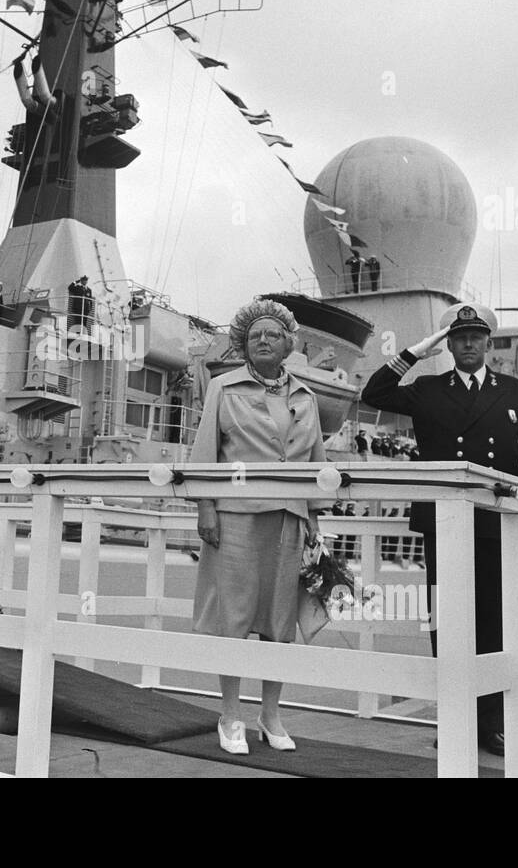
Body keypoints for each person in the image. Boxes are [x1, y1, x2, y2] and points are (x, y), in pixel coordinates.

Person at [361, 302, 518, 756]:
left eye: (476, 337)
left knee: (493, 622)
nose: (468, 344)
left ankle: (490, 724)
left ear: (487, 342)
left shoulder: (513, 391)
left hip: (493, 521)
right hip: (443, 522)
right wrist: (415, 352)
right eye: (458, 337)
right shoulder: (426, 388)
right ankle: (454, 718)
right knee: (446, 624)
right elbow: (374, 392)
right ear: (448, 344)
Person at [190, 298, 326, 756]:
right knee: (235, 617)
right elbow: (205, 453)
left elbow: (317, 467)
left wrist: (314, 519)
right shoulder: (224, 388)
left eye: (272, 334)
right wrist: (205, 507)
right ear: (243, 346)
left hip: (290, 520)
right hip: (236, 519)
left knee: (279, 622)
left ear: (290, 343)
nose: (263, 340)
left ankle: (270, 714)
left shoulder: (306, 397)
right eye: (254, 336)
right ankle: (230, 714)